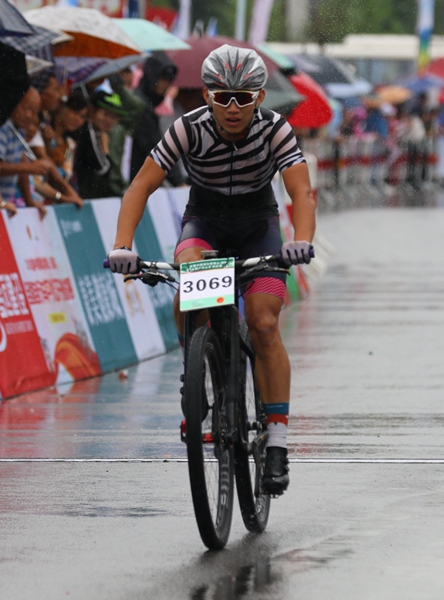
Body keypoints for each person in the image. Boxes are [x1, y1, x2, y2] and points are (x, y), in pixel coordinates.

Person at [107, 45, 316, 495]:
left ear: (260, 97)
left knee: (262, 322)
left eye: (244, 97)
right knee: (191, 279)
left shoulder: (274, 130)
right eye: (223, 97)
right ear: (206, 94)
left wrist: (301, 240)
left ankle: (276, 440)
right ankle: (196, 371)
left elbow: (300, 191)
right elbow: (141, 185)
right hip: (205, 225)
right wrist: (122, 245)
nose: (234, 107)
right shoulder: (188, 128)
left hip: (258, 227)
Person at [0, 87, 50, 216]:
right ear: (14, 103)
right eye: (25, 108)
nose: (29, 115)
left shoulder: (20, 130)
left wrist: (29, 201)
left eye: (35, 111)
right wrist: (30, 167)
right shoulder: (1, 129)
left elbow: (22, 168)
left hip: (3, 205)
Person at [130, 52, 182, 185]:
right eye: (162, 78)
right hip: (133, 180)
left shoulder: (143, 102)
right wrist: (178, 181)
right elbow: (157, 149)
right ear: (152, 75)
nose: (165, 84)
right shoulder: (142, 106)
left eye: (169, 80)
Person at [75, 85, 130, 199]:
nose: (109, 120)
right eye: (105, 114)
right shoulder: (89, 131)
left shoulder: (95, 131)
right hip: (78, 195)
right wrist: (105, 147)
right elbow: (104, 170)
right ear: (92, 111)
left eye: (114, 117)